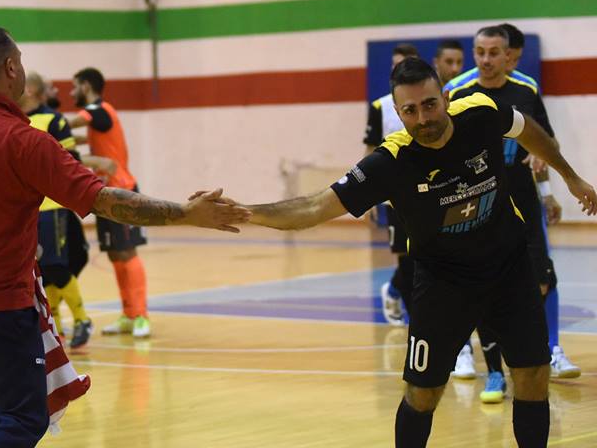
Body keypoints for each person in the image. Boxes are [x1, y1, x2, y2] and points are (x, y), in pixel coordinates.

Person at [0, 27, 250, 448]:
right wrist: (186, 213)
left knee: (3, 417)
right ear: (11, 67)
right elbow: (104, 200)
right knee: (21, 419)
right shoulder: (22, 140)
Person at [219, 57, 596, 448]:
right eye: (410, 111)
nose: (423, 118)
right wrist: (245, 212)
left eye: (429, 104)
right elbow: (314, 207)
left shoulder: (481, 113)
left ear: (446, 98)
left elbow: (526, 129)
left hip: (509, 268)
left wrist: (570, 177)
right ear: (398, 113)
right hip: (444, 283)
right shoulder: (390, 162)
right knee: (423, 393)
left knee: (533, 375)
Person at [445, 25, 579, 403]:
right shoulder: (459, 92)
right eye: (480, 52)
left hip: (522, 200)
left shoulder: (525, 90)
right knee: (481, 283)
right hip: (479, 202)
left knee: (540, 278)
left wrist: (542, 168)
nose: (486, 60)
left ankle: (546, 352)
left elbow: (548, 141)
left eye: (494, 53)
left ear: (509, 56)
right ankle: (493, 371)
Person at [19, 71, 108, 349]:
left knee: (55, 264)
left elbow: (71, 160)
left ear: (30, 90)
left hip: (53, 206)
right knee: (41, 269)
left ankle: (82, 319)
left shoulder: (53, 120)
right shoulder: (13, 119)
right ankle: (55, 328)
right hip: (27, 208)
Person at [69, 67, 152, 338]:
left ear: (86, 86)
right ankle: (129, 314)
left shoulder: (100, 110)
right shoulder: (96, 120)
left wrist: (50, 124)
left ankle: (142, 315)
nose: (71, 93)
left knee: (127, 252)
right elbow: (80, 135)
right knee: (115, 255)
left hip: (123, 190)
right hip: (105, 193)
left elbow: (73, 124)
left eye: (75, 86)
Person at [365, 43, 418, 327]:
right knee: (407, 257)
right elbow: (371, 153)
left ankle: (395, 289)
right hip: (396, 197)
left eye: (406, 62)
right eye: (396, 63)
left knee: (428, 255)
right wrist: (369, 196)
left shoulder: (429, 103)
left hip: (430, 191)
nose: (401, 68)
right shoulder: (381, 107)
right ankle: (416, 319)